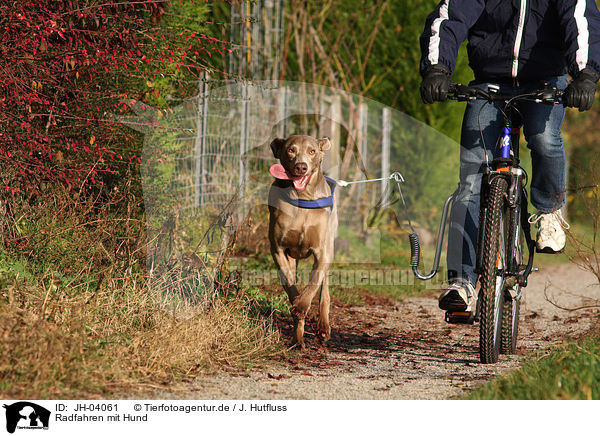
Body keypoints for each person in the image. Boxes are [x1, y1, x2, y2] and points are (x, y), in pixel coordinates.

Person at [419, 1, 600, 314]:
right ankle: (461, 282)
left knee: (544, 140)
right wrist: (437, 69)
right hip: (489, 81)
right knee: (471, 182)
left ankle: (548, 212)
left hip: (545, 81)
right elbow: (450, 19)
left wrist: (584, 75)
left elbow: (580, 20)